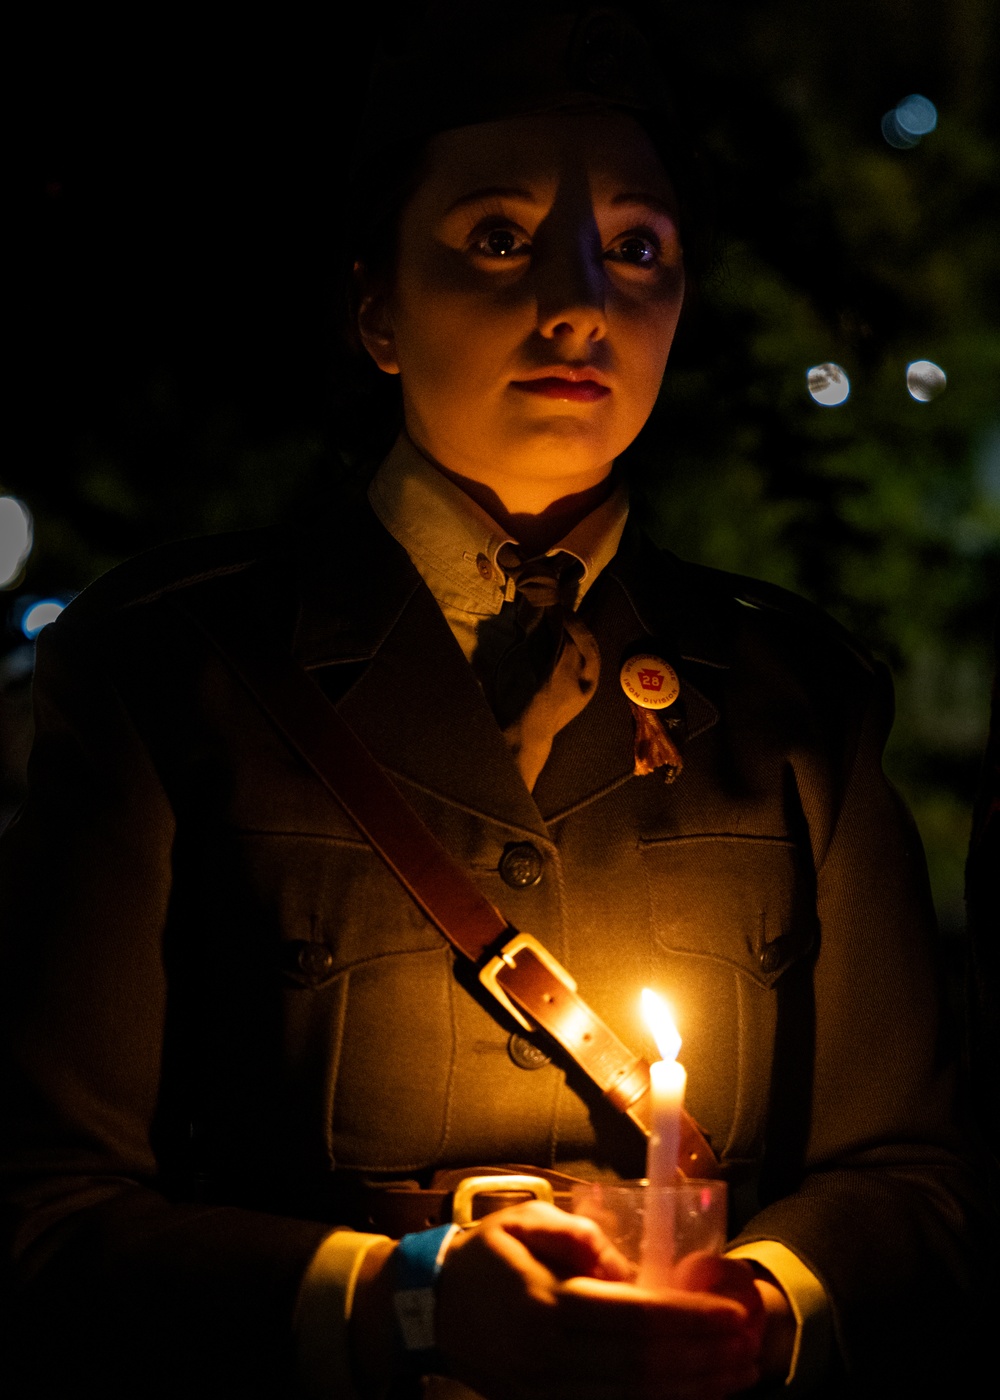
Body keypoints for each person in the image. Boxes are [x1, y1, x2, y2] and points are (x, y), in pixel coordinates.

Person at [0, 5, 989, 1398]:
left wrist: (761, 1312)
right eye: (499, 240)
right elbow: (38, 1211)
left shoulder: (794, 700)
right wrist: (404, 1303)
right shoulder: (179, 670)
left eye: (636, 248)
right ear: (374, 310)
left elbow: (914, 1179)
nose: (579, 301)